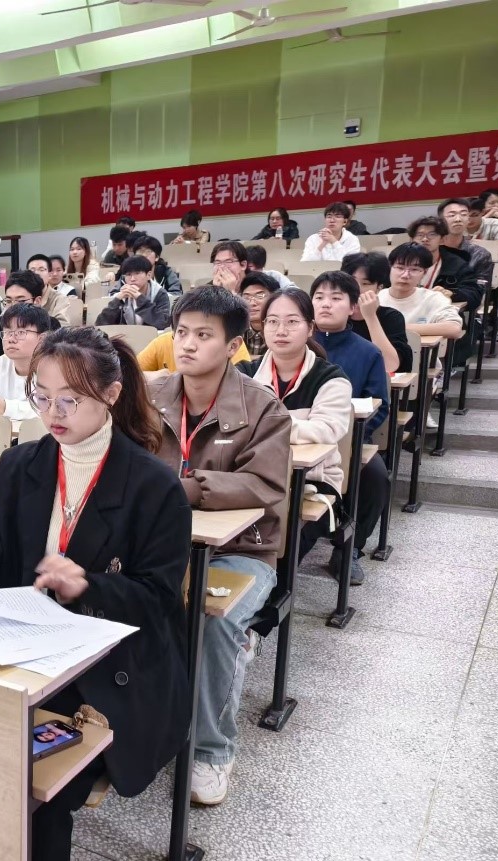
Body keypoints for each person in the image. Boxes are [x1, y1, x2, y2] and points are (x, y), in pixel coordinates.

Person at [0, 326, 192, 861]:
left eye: (70, 400)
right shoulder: (21, 463)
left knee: (28, 783)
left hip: (107, 666)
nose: (53, 414)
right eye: (41, 398)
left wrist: (89, 584)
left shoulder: (154, 485)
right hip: (22, 646)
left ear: (111, 394)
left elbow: (159, 598)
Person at [147, 286, 291, 806]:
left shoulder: (264, 408)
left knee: (214, 621)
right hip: (162, 544)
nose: (186, 344)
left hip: (242, 550)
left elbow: (264, 485)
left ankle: (211, 750)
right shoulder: (151, 396)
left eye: (203, 335)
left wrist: (187, 488)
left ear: (233, 346)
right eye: (181, 332)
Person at [242, 288, 354, 567]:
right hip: (252, 478)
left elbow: (325, 429)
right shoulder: (244, 374)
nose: (281, 330)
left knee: (277, 551)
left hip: (312, 482)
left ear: (310, 328)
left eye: (292, 322)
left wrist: (263, 424)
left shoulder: (330, 378)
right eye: (272, 321)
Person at [309, 273, 393, 583]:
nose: (326, 304)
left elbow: (379, 405)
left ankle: (349, 549)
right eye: (319, 297)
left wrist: (351, 437)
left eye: (336, 298)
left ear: (352, 307)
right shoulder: (295, 344)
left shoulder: (367, 352)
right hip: (301, 437)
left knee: (376, 478)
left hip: (349, 439)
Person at [340, 252, 413, 373]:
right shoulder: (335, 314)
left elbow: (389, 366)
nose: (356, 289)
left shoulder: (391, 317)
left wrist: (370, 316)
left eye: (365, 284)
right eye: (351, 281)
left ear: (379, 287)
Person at [378, 243, 464, 339]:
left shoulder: (433, 299)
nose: (405, 275)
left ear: (424, 273)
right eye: (400, 268)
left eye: (414, 269)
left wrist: (398, 327)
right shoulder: (376, 298)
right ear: (390, 268)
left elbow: (454, 329)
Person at [408, 215, 481, 313]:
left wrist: (451, 294)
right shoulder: (401, 262)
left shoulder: (457, 264)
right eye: (420, 235)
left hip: (442, 314)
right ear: (412, 240)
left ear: (442, 239)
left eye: (432, 234)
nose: (425, 239)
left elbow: (474, 295)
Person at [438, 198, 494, 302]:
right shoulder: (431, 251)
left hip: (462, 306)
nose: (458, 219)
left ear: (468, 219)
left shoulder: (480, 255)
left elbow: (479, 291)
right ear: (440, 220)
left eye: (463, 214)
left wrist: (452, 294)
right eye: (452, 215)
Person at [97, 255, 170, 329]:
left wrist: (140, 299)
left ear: (148, 275)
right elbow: (100, 325)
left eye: (137, 273)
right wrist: (117, 300)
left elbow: (163, 324)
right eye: (128, 275)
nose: (132, 279)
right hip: (124, 335)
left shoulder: (159, 293)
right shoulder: (122, 294)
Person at [238, 272, 278, 362]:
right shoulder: (235, 328)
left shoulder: (281, 330)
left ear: (274, 299)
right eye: (246, 297)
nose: (252, 303)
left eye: (260, 296)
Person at [27, 255, 71, 326]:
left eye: (41, 270)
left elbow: (62, 325)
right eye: (32, 270)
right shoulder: (21, 296)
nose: (36, 273)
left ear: (50, 275)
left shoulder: (60, 299)